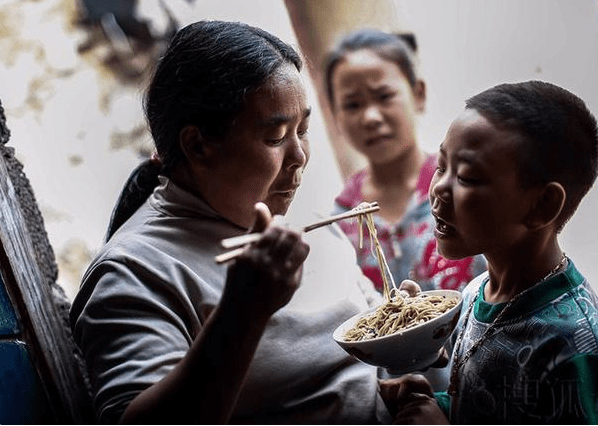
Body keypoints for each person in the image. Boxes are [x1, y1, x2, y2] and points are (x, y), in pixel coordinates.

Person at [69, 20, 421, 424]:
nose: (300, 157)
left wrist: (398, 374)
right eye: (275, 137)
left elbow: (352, 361)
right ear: (197, 145)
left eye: (303, 130)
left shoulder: (302, 218)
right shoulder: (134, 270)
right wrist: (242, 311)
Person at [380, 80, 598, 424]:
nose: (438, 188)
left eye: (466, 176)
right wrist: (433, 400)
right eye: (441, 166)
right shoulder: (475, 293)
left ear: (541, 205)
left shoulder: (573, 348)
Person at [323, 28, 487, 392]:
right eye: (351, 104)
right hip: (399, 403)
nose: (370, 117)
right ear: (334, 116)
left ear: (418, 94)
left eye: (384, 96)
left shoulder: (465, 189)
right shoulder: (342, 220)